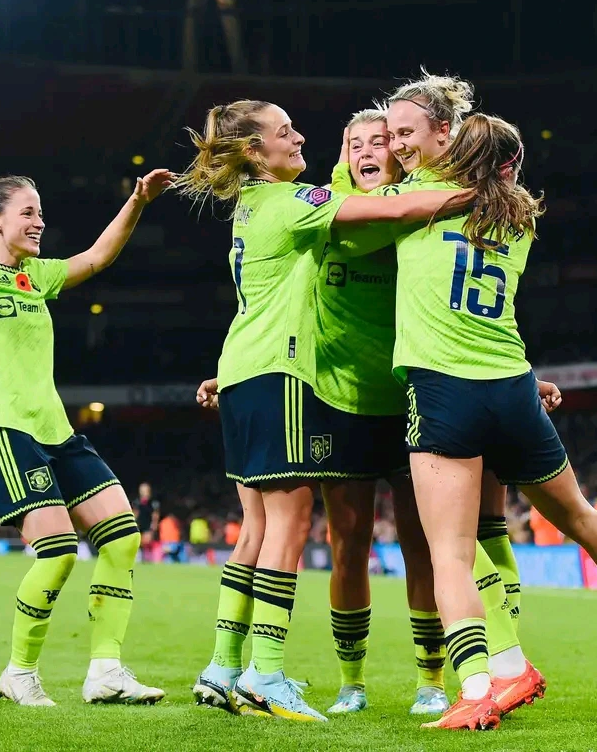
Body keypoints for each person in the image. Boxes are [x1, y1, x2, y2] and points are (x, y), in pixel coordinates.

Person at [365, 112, 597, 730]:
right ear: (510, 165)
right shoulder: (520, 219)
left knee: (450, 552)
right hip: (512, 387)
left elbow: (362, 201)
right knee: (580, 515)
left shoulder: (419, 205)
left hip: (445, 389)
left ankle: (480, 687)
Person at [180, 99, 472, 722]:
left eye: (379, 141)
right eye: (285, 132)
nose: (299, 137)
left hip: (268, 371)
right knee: (289, 527)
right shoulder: (302, 205)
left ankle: (225, 667)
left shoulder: (256, 204)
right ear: (255, 150)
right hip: (295, 380)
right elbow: (391, 209)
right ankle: (267, 674)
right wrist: (472, 192)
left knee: (260, 529)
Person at [324, 104, 556, 719]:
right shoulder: (336, 211)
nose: (374, 150)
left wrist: (526, 377)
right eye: (356, 144)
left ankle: (458, 678)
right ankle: (354, 681)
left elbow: (475, 305)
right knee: (353, 544)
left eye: (387, 139)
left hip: (434, 392)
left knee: (446, 543)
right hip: (350, 396)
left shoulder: (431, 200)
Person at [0, 129, 172, 706]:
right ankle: (19, 673)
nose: (39, 222)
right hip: (7, 429)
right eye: (28, 213)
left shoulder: (36, 277)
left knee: (123, 537)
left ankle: (106, 672)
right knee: (56, 551)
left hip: (57, 430)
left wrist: (137, 201)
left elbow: (96, 257)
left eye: (41, 213)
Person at [386, 71, 525, 627]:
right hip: (496, 376)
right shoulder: (509, 210)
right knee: (485, 529)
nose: (393, 146)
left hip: (443, 380)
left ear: (446, 132)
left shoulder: (416, 197)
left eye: (403, 134)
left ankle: (502, 657)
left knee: (456, 542)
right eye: (385, 137)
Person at [132, 482, 160, 562]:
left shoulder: (154, 503)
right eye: (142, 491)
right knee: (138, 542)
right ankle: (139, 558)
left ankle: (149, 558)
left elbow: (155, 515)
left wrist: (154, 525)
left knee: (146, 541)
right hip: (139, 525)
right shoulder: (137, 502)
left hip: (148, 526)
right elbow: (135, 513)